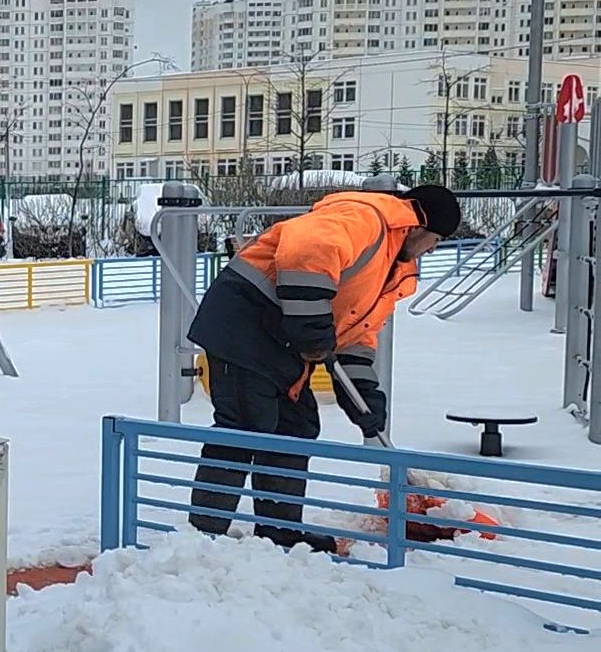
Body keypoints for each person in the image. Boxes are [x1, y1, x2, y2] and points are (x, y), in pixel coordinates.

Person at [185, 184, 461, 551]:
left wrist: (363, 395)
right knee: (248, 424)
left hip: (283, 341)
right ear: (416, 225)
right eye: (436, 240)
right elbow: (307, 247)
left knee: (296, 426)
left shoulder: (392, 270)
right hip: (244, 323)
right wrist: (311, 321)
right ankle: (203, 536)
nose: (433, 249)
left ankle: (279, 531)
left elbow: (357, 332)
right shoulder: (366, 217)